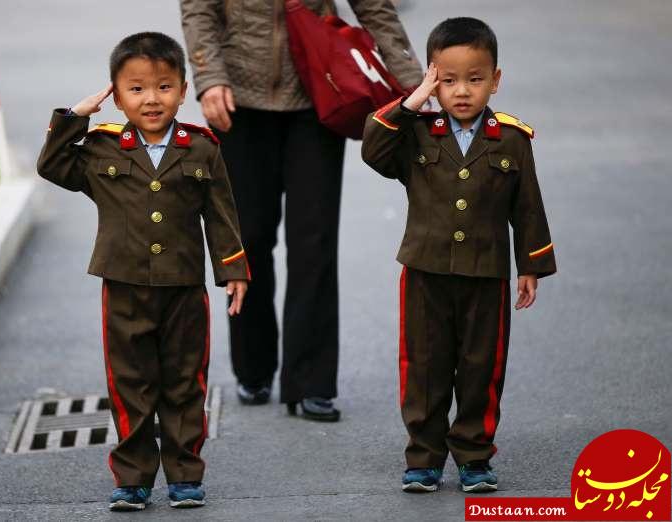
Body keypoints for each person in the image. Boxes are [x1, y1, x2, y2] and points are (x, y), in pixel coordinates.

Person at [180, 0, 423, 422]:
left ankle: (311, 380)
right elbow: (199, 10)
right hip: (239, 98)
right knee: (249, 237)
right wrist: (209, 76)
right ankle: (253, 366)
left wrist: (417, 87)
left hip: (317, 91)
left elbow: (375, 9)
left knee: (314, 239)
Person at [36, 32, 250, 511]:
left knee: (183, 382)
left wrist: (233, 270)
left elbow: (221, 214)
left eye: (163, 86)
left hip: (183, 287)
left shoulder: (201, 148)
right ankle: (132, 478)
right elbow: (51, 166)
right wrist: (75, 117)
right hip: (124, 285)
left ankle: (184, 475)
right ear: (115, 92)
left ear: (183, 88)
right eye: (135, 88)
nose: (151, 99)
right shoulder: (100, 149)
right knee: (130, 384)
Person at [362, 17, 556, 492]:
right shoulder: (416, 133)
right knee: (424, 366)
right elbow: (373, 148)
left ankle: (473, 456)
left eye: (475, 79)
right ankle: (424, 457)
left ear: (495, 80)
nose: (462, 91)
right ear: (432, 78)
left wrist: (529, 266)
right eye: (447, 80)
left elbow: (527, 207)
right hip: (425, 271)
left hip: (485, 274)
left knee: (481, 367)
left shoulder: (510, 139)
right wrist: (413, 99)